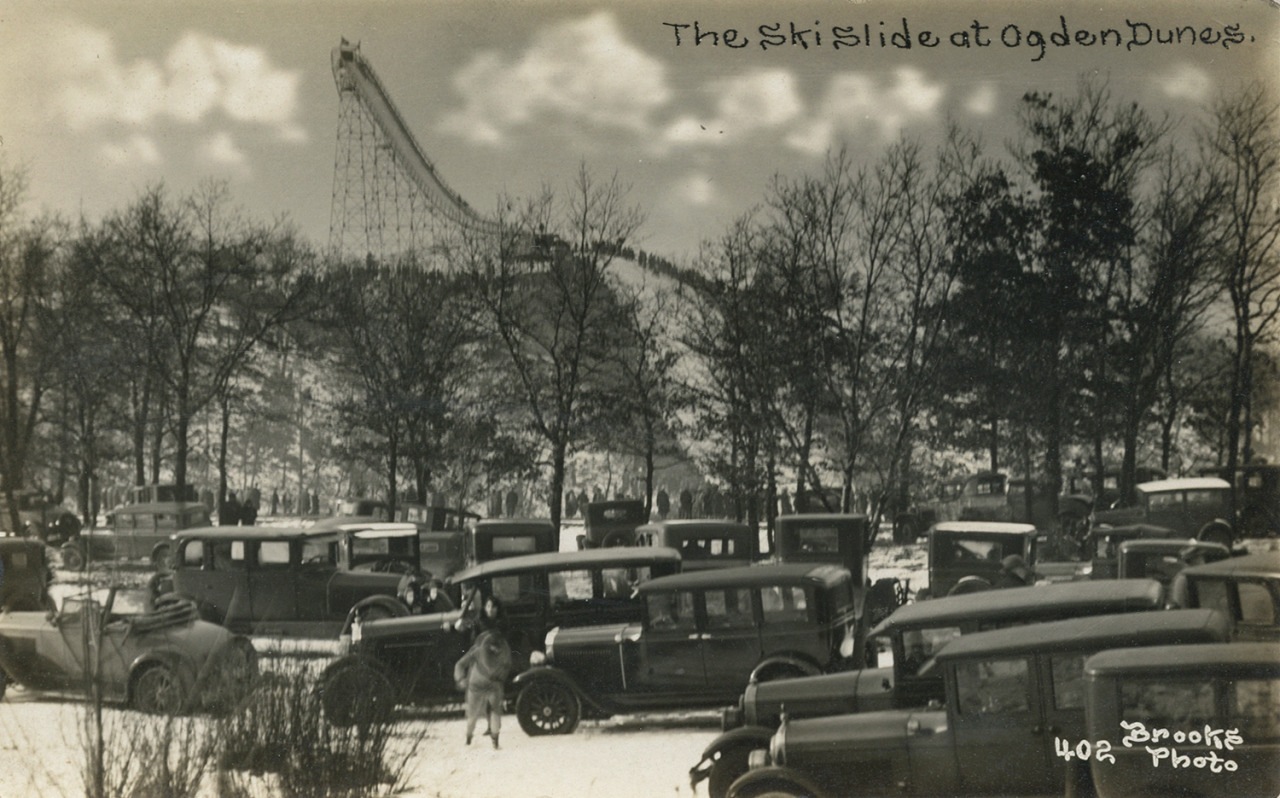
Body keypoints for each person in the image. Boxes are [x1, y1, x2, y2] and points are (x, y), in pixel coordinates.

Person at [453, 626, 512, 748]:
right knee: (476, 715)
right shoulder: (479, 651)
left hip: (487, 685)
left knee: (490, 712)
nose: (494, 649)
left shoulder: (482, 651)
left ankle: (490, 740)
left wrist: (460, 679)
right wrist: (460, 679)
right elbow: (459, 665)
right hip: (481, 686)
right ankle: (472, 737)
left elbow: (459, 664)